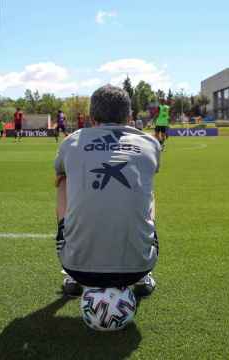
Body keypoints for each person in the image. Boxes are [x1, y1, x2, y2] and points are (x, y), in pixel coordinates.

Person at [54, 84, 161, 298]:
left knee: (63, 179)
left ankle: (70, 276)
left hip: (78, 268)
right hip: (139, 267)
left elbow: (59, 172)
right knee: (144, 184)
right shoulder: (150, 143)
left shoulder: (71, 141)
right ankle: (142, 279)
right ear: (129, 117)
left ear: (92, 118)